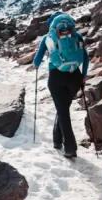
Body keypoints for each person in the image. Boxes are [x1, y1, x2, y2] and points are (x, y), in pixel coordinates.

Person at [33, 13, 89, 158]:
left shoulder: (48, 38)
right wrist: (83, 77)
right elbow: (85, 57)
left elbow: (36, 62)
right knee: (62, 108)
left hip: (56, 78)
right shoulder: (76, 35)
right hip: (75, 77)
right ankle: (57, 140)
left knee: (63, 111)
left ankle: (70, 147)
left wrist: (40, 62)